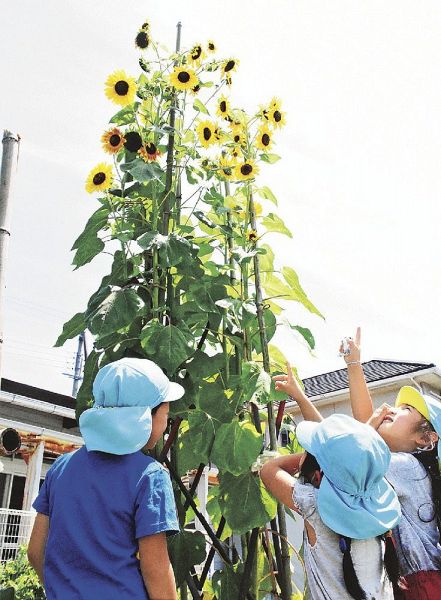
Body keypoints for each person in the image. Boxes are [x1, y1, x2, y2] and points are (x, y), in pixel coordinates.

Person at [27, 357, 183, 600]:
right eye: (166, 414)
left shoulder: (60, 467)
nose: (166, 424)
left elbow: (36, 551)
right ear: (145, 417)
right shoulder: (149, 476)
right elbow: (156, 570)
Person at [340, 328, 441, 598]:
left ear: (426, 438)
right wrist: (353, 365)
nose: (391, 409)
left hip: (425, 583)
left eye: (406, 409)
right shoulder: (405, 467)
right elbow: (367, 430)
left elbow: (361, 447)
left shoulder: (407, 467)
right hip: (420, 581)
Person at [260, 414, 401, 600]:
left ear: (317, 477)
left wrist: (314, 455)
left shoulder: (313, 504)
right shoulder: (378, 506)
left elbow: (269, 470)